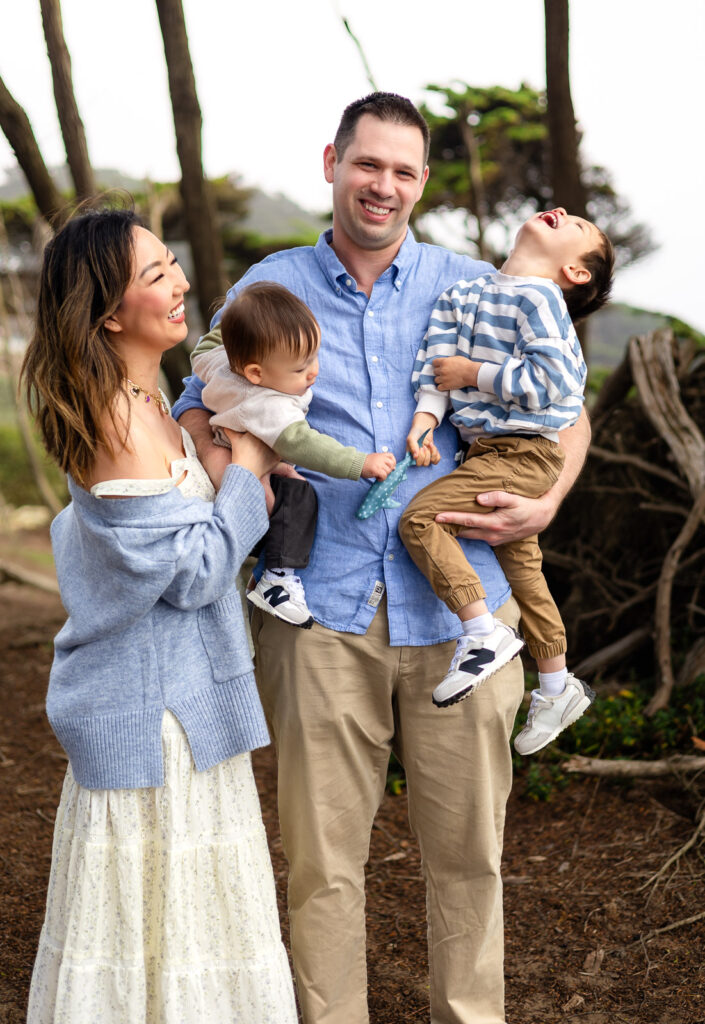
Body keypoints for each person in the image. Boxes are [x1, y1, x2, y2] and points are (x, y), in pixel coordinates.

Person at [174, 92, 591, 1024]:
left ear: (423, 183)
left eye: (403, 171)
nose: (383, 186)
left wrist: (547, 498)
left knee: (469, 857)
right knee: (322, 863)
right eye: (368, 164)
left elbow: (567, 410)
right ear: (332, 161)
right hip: (318, 609)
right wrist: (232, 471)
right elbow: (197, 396)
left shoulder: (475, 283)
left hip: (465, 610)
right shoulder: (269, 285)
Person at [21, 206, 298, 1024]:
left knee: (193, 939)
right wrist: (248, 463)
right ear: (109, 312)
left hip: (180, 705)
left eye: (172, 263)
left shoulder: (147, 404)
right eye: (155, 276)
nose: (181, 283)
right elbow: (199, 571)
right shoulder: (114, 419)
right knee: (165, 944)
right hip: (153, 725)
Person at [400, 208, 615, 755]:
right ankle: (556, 684)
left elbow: (555, 382)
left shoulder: (541, 299)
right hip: (486, 451)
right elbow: (434, 366)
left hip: (526, 451)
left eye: (578, 227)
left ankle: (482, 633)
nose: (562, 212)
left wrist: (474, 374)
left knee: (420, 519)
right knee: (523, 568)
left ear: (576, 273)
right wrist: (425, 423)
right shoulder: (464, 292)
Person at [191, 280, 396, 628]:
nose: (314, 371)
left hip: (236, 466)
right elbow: (304, 443)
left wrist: (239, 321)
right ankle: (278, 578)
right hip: (251, 477)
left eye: (314, 357)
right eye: (300, 369)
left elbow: (204, 348)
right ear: (255, 373)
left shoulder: (220, 362)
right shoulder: (267, 405)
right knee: (299, 497)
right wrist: (360, 463)